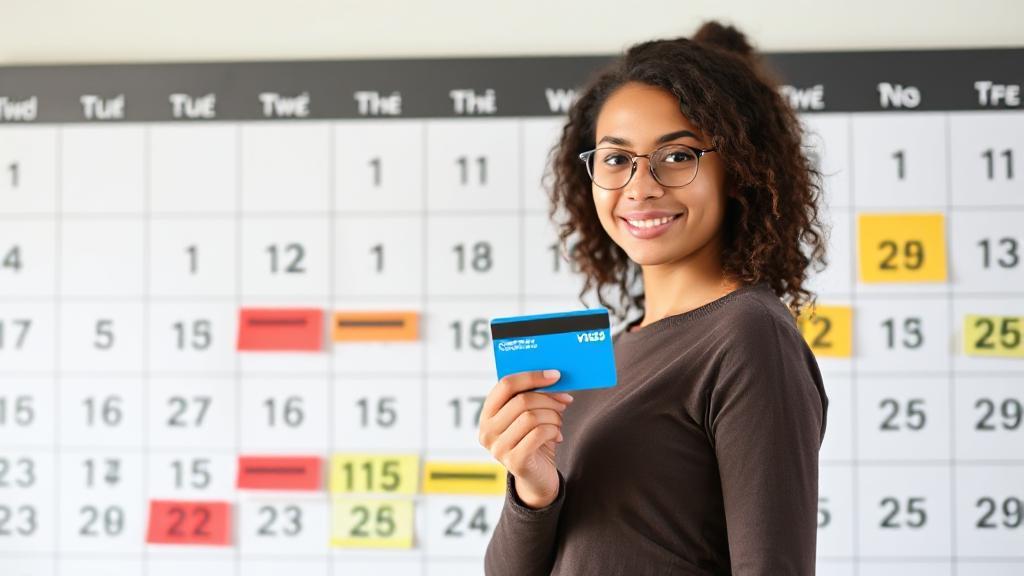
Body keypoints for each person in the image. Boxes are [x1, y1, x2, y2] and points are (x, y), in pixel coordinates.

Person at [478, 19, 830, 575]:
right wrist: (534, 488)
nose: (640, 187)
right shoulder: (609, 352)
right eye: (617, 159)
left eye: (678, 155)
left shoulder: (747, 334)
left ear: (736, 172)